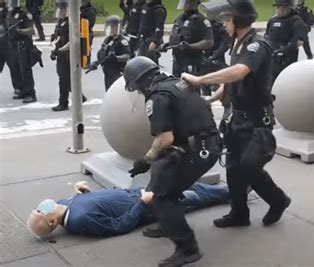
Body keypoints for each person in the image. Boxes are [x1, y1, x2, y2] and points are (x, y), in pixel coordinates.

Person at [183, 0, 291, 229]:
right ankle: (239, 214)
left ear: (239, 20)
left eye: (227, 19)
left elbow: (240, 71)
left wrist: (201, 80)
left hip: (255, 121)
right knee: (232, 168)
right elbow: (234, 80)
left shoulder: (256, 45)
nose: (224, 24)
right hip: (236, 118)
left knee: (249, 168)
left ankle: (278, 200)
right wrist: (212, 97)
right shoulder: (238, 43)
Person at [123, 56, 221, 266]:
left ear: (141, 82)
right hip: (205, 143)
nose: (139, 92)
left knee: (161, 196)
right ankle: (168, 222)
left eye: (137, 88)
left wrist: (145, 160)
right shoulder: (178, 82)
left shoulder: (157, 98)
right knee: (164, 179)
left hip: (199, 149)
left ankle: (187, 248)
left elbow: (164, 138)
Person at [27, 181, 230, 238]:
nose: (41, 206)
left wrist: (86, 193)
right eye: (41, 211)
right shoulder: (80, 219)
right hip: (148, 205)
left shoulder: (64, 204)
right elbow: (119, 225)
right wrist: (143, 203)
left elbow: (98, 203)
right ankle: (233, 194)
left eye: (37, 208)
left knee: (187, 184)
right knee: (193, 196)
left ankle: (231, 191)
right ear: (52, 222)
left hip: (136, 193)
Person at [50, 0, 86, 112]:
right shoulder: (60, 22)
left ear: (67, 9)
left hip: (69, 56)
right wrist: (54, 50)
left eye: (62, 9)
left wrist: (60, 50)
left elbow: (74, 40)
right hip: (61, 55)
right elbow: (57, 38)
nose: (60, 12)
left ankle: (63, 103)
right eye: (59, 9)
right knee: (68, 80)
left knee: (63, 80)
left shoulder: (72, 21)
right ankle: (80, 97)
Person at [161, 0, 213, 78]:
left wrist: (190, 46)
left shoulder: (201, 20)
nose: (184, 4)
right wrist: (167, 45)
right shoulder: (179, 19)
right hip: (177, 61)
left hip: (192, 61)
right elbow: (176, 36)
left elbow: (209, 41)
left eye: (186, 2)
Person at [265, 0, 307, 84]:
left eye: (283, 8)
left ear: (289, 8)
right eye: (278, 7)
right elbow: (267, 36)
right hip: (271, 60)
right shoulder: (273, 20)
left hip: (286, 61)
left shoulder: (296, 21)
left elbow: (299, 41)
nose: (280, 10)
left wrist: (283, 51)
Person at [88, 15, 132, 90]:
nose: (111, 29)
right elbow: (103, 54)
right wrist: (96, 63)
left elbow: (127, 56)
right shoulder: (107, 40)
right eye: (110, 27)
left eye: (113, 27)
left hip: (117, 72)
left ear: (118, 27)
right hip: (107, 73)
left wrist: (116, 58)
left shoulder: (122, 41)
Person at [6, 0, 37, 103]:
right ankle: (20, 90)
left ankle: (30, 93)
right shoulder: (9, 14)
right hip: (12, 45)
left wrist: (19, 31)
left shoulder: (24, 14)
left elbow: (31, 30)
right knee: (14, 68)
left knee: (25, 69)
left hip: (23, 45)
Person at [201, 18, 231, 96]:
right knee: (205, 81)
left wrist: (214, 55)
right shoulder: (204, 25)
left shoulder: (220, 29)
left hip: (217, 58)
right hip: (206, 57)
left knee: (220, 79)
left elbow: (225, 44)